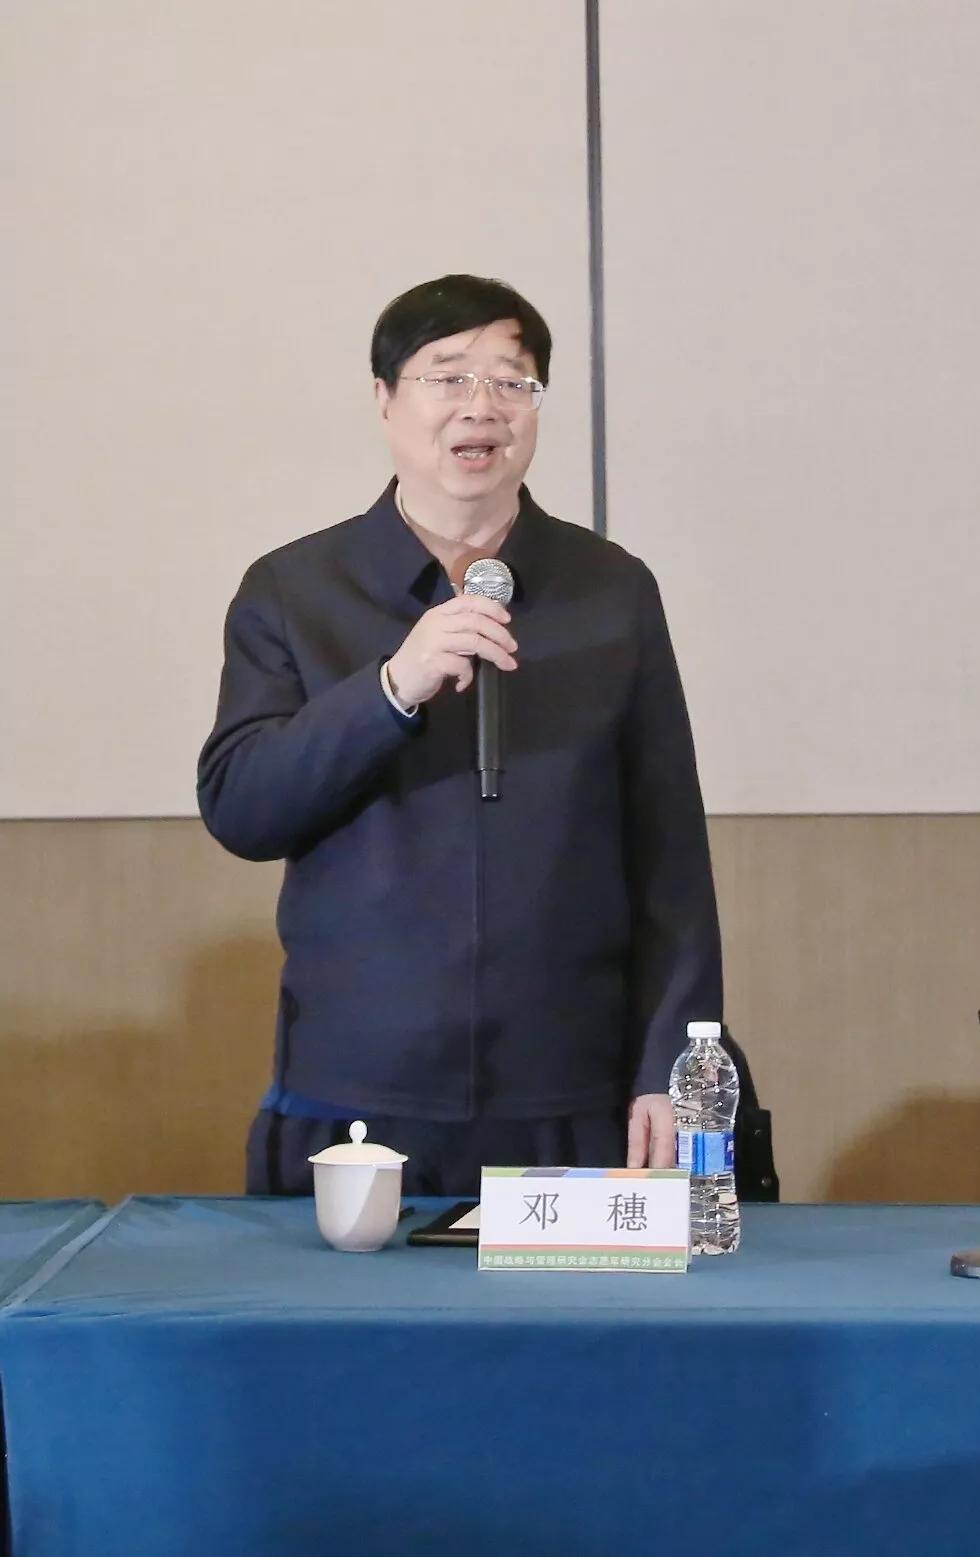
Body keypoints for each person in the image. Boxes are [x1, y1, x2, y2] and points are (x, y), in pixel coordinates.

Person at [197, 273, 723, 1197]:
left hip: (570, 1089)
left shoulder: (612, 589)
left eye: (510, 380)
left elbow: (668, 851)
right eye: (446, 376)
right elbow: (242, 807)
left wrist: (670, 1064)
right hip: (354, 1091)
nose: (481, 405)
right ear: (384, 398)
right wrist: (390, 689)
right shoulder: (294, 589)